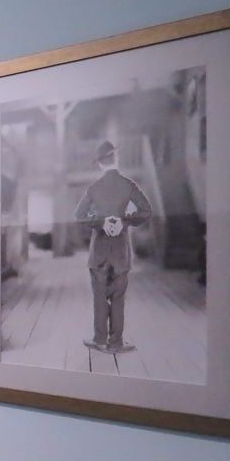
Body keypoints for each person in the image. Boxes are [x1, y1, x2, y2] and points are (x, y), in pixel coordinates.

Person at [73, 140, 153, 353]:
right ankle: (115, 343)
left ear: (100, 164)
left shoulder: (93, 188)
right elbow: (146, 211)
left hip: (98, 251)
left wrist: (101, 222)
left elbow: (79, 215)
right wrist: (123, 221)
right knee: (118, 298)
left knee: (99, 297)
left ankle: (99, 340)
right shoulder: (129, 185)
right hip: (120, 252)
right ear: (117, 159)